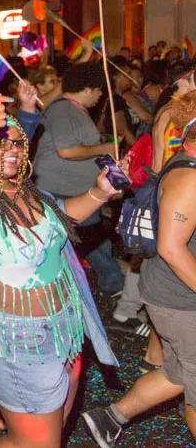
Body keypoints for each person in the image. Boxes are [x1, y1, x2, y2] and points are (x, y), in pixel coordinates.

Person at [0, 94, 119, 448]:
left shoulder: (29, 192)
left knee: (51, 431)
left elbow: (62, 219)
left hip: (65, 331)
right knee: (36, 442)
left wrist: (99, 192)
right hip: (16, 344)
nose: (10, 150)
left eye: (16, 143)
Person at [82, 91, 196, 446]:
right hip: (181, 300)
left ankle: (110, 418)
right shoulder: (189, 179)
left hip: (172, 293)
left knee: (178, 374)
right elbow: (172, 248)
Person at [33, 62, 125, 296]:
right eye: (98, 89)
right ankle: (112, 281)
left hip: (75, 186)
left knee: (88, 236)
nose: (101, 94)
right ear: (86, 88)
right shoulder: (63, 110)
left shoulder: (74, 109)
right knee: (89, 236)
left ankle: (102, 278)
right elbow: (67, 151)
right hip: (62, 188)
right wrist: (104, 147)